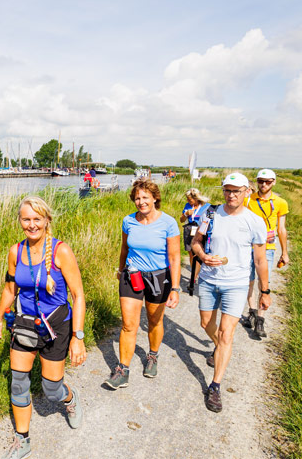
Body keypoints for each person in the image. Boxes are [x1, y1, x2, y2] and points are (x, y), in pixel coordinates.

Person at [0, 196, 87, 459]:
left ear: (47, 220)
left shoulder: (61, 252)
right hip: (23, 323)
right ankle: (22, 441)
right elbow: (11, 288)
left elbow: (78, 295)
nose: (31, 225)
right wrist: (0, 317)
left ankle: (70, 398)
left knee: (51, 388)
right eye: (26, 219)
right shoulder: (15, 251)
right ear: (19, 221)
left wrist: (77, 338)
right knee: (19, 383)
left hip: (56, 327)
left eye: (37, 219)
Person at [191, 172, 271, 412]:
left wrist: (264, 291)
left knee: (227, 334)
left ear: (247, 191)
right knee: (206, 324)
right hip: (208, 279)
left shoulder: (255, 221)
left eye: (237, 190)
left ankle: (215, 386)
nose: (231, 194)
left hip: (236, 283)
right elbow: (196, 241)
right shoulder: (211, 213)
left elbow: (260, 260)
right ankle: (220, 347)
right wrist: (203, 256)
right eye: (227, 190)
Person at [105, 179, 181, 389]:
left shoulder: (168, 223)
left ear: (155, 198)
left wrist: (175, 288)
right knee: (129, 325)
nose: (141, 201)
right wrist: (121, 271)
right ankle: (123, 369)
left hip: (158, 277)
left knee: (155, 321)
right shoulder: (128, 221)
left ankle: (153, 355)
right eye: (137, 198)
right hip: (132, 276)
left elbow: (175, 258)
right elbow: (124, 249)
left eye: (145, 197)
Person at [241, 168, 289, 337]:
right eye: (261, 181)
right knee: (249, 281)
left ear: (274, 182)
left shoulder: (280, 203)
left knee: (264, 282)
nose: (264, 184)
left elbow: (281, 229)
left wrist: (285, 252)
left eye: (268, 181)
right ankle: (252, 311)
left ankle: (260, 321)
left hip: (267, 247)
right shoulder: (248, 200)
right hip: (248, 246)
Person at [180, 188, 211, 277]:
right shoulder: (187, 206)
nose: (188, 201)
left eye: (190, 199)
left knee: (198, 253)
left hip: (200, 230)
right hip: (189, 230)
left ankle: (194, 276)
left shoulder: (206, 206)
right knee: (191, 254)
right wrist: (186, 214)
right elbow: (181, 220)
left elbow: (210, 219)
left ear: (197, 198)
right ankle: (194, 274)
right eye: (187, 199)